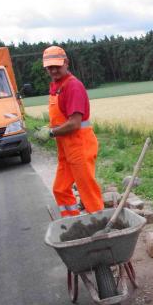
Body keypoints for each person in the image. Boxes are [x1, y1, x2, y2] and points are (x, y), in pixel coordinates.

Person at [40, 45, 103, 217]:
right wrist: (50, 128)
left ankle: (100, 225)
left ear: (66, 62)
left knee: (87, 190)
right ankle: (72, 222)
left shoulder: (73, 86)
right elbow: (61, 120)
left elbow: (75, 124)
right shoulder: (56, 86)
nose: (53, 70)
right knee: (60, 189)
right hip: (66, 147)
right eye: (49, 67)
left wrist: (51, 133)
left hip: (80, 145)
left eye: (57, 66)